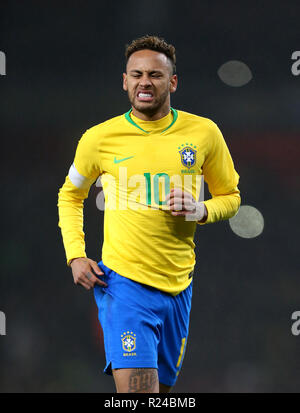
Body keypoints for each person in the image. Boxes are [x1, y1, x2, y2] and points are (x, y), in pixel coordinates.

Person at [57, 35, 241, 393]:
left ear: (172, 82)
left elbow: (231, 197)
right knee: (141, 393)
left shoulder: (204, 133)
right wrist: (75, 255)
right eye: (136, 74)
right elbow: (70, 195)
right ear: (125, 81)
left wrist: (201, 208)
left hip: (178, 286)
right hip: (123, 286)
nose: (145, 81)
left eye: (155, 75)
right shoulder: (99, 139)